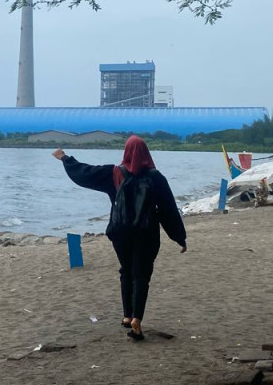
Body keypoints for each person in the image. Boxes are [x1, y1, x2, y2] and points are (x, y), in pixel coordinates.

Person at [51, 136, 187, 340]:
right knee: (141, 276)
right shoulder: (156, 177)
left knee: (126, 271)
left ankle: (126, 316)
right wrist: (179, 237)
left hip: (120, 233)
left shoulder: (113, 173)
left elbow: (84, 173)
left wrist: (64, 158)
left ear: (126, 152)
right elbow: (168, 209)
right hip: (146, 233)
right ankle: (137, 320)